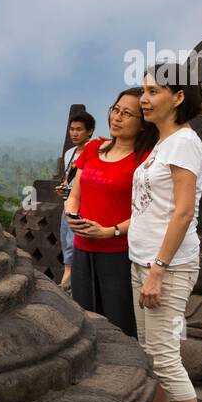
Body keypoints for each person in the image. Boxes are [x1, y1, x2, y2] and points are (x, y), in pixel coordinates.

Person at [129, 63, 202, 402]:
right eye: (143, 91)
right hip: (142, 261)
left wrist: (159, 269)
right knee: (153, 351)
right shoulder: (161, 144)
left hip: (167, 266)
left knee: (163, 356)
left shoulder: (183, 143)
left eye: (155, 91)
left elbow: (182, 214)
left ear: (178, 97)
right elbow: (151, 209)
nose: (144, 99)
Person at [64, 89, 156, 337]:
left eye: (127, 114)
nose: (117, 117)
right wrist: (71, 214)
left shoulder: (145, 161)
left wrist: (110, 231)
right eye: (115, 110)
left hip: (119, 253)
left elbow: (147, 213)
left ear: (143, 124)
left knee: (118, 325)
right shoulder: (93, 149)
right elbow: (75, 194)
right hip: (82, 248)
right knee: (83, 321)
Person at [56, 112, 94, 290]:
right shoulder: (70, 153)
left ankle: (72, 283)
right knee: (66, 243)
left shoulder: (94, 152)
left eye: (79, 129)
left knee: (76, 243)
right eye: (72, 129)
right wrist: (63, 187)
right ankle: (67, 279)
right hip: (68, 205)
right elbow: (68, 180)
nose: (74, 133)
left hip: (85, 206)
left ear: (90, 132)